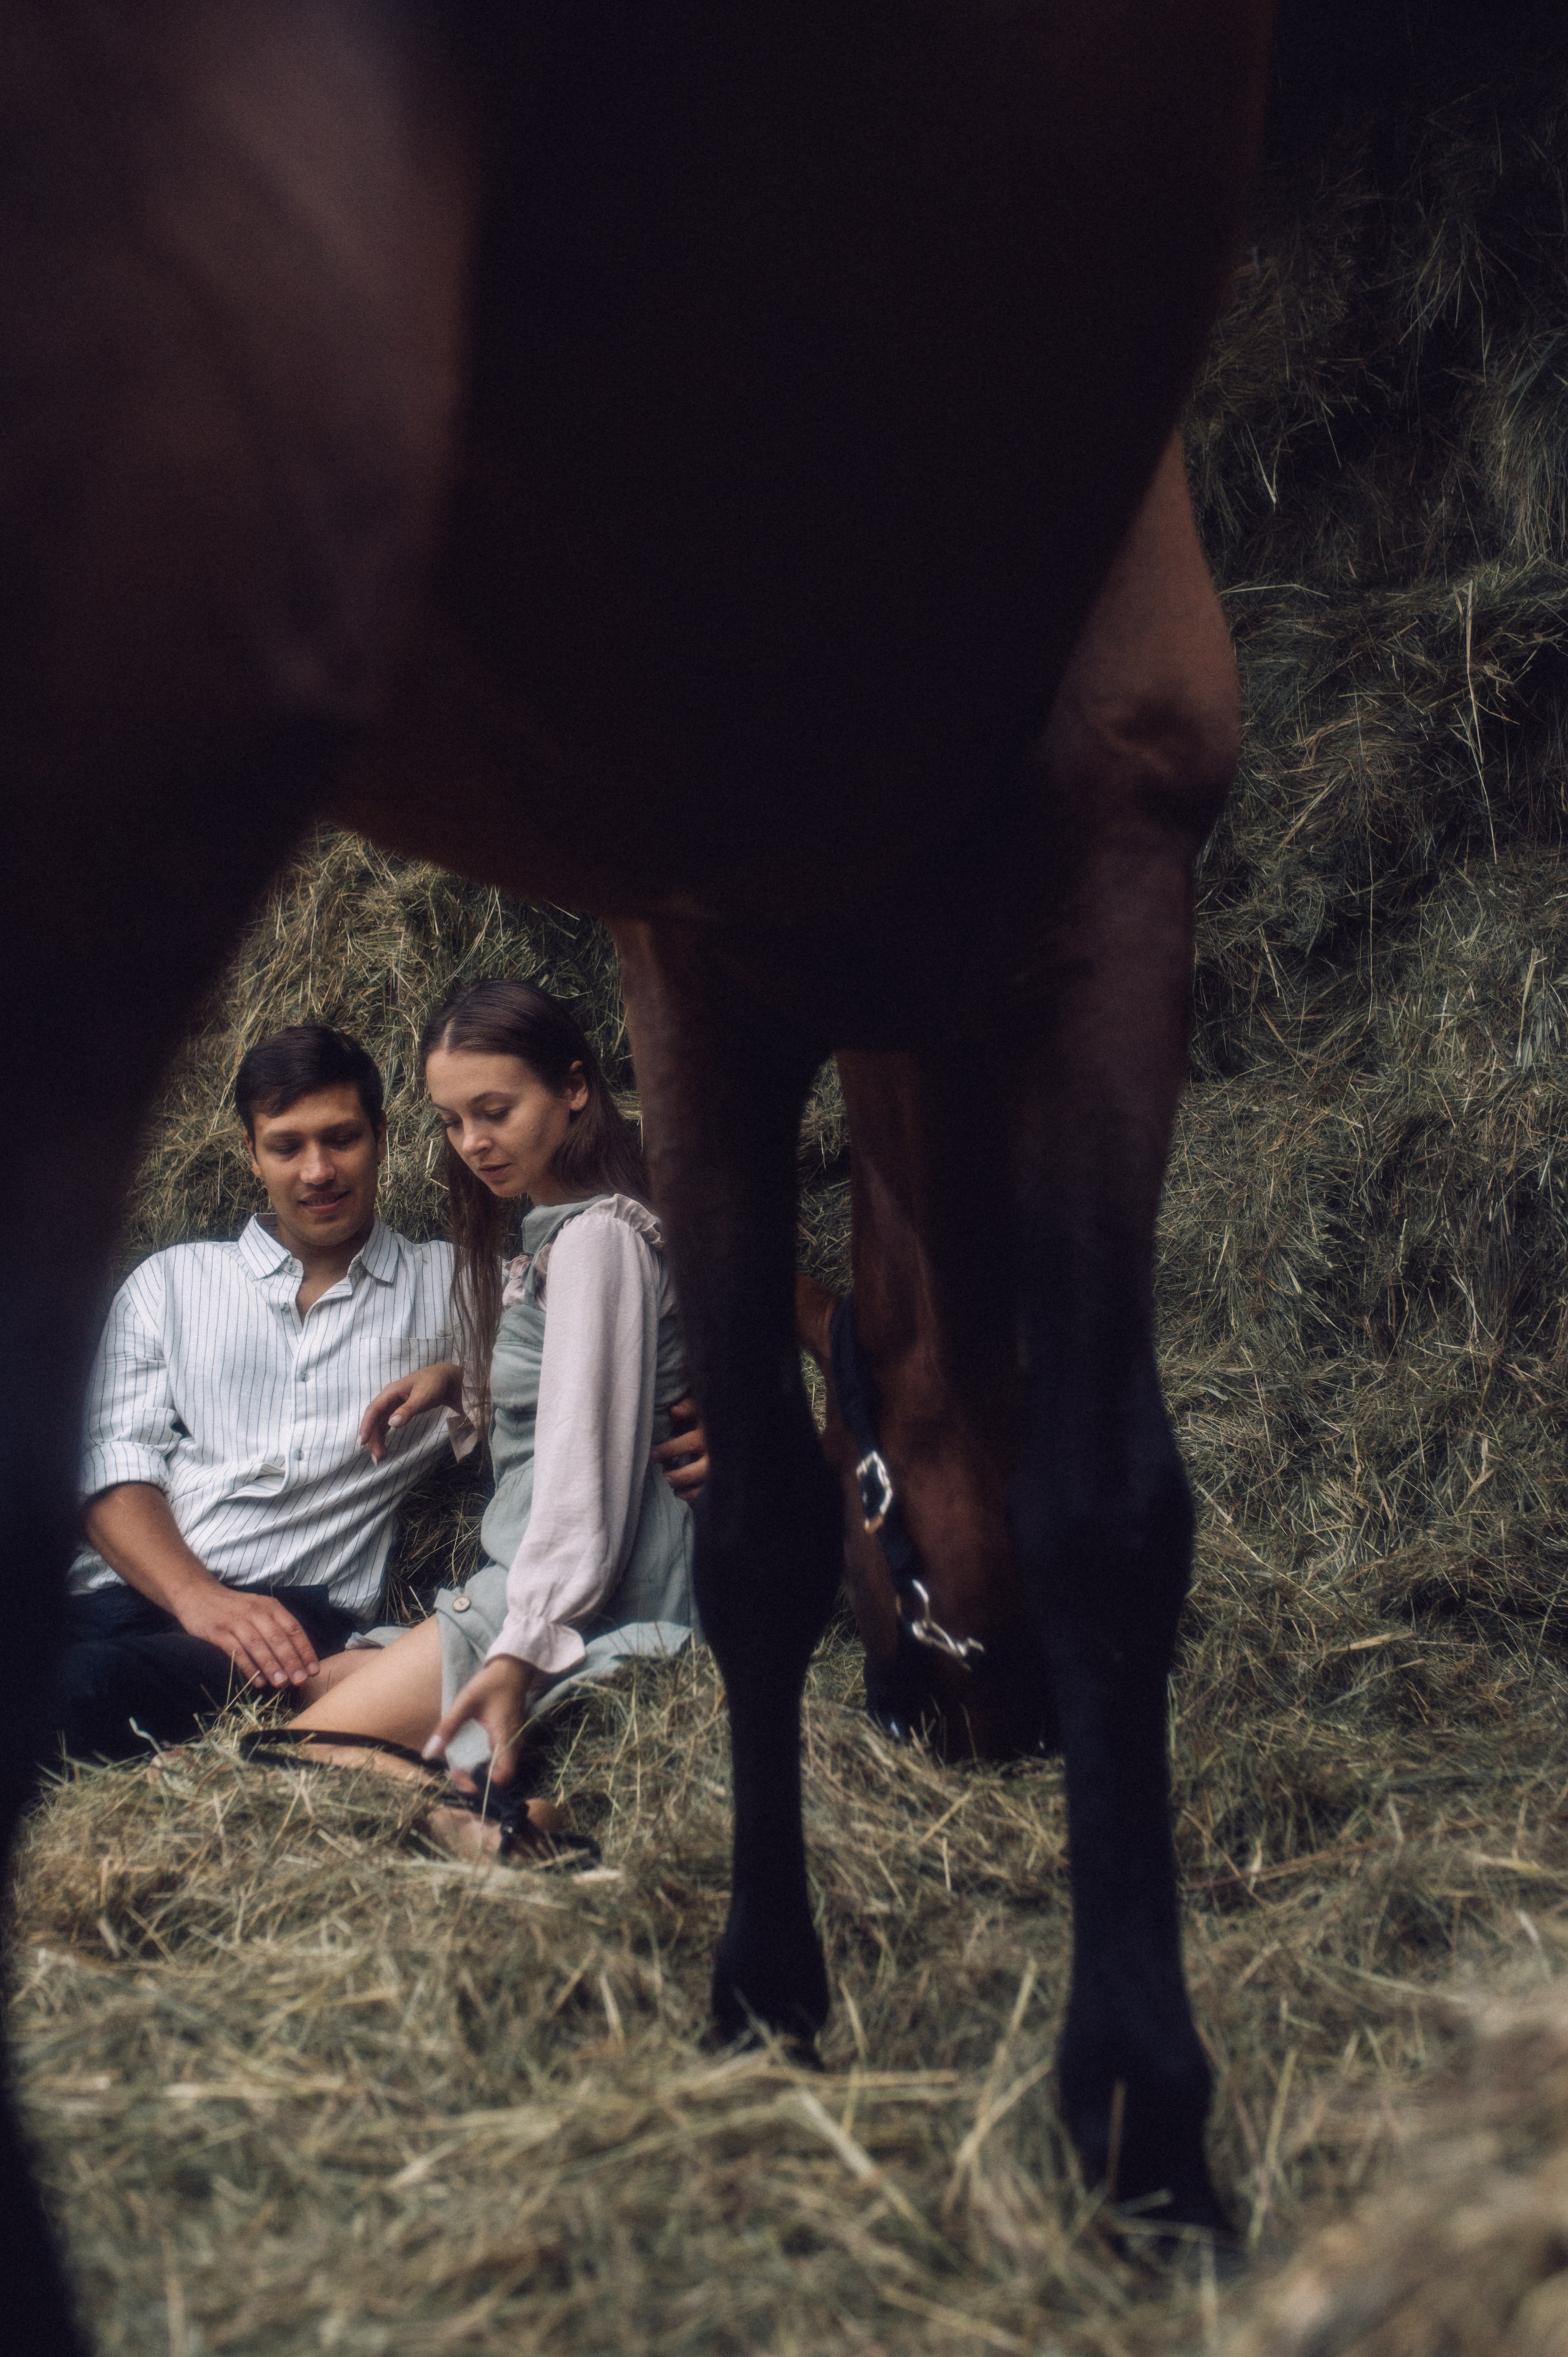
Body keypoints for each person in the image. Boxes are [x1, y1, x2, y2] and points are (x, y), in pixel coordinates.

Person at [58, 1017, 709, 1765]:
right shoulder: (168, 1284)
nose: (317, 1170)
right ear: (250, 1152)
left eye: (341, 1138)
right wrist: (198, 1599)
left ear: (383, 1136)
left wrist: (732, 1405)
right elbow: (111, 1463)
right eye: (286, 1145)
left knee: (80, 1692)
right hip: (126, 1594)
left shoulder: (463, 1283)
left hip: (292, 1619)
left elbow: (629, 1320)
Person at [279, 979, 701, 1858]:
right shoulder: (560, 1240)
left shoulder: (597, 1242)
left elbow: (585, 1475)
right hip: (550, 1581)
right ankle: (486, 1800)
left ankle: (491, 1826)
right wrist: (461, 1385)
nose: (473, 1143)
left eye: (494, 1111)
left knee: (293, 1751)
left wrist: (522, 1644)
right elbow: (566, 1390)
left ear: (575, 1088)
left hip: (579, 1591)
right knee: (317, 1681)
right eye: (449, 1121)